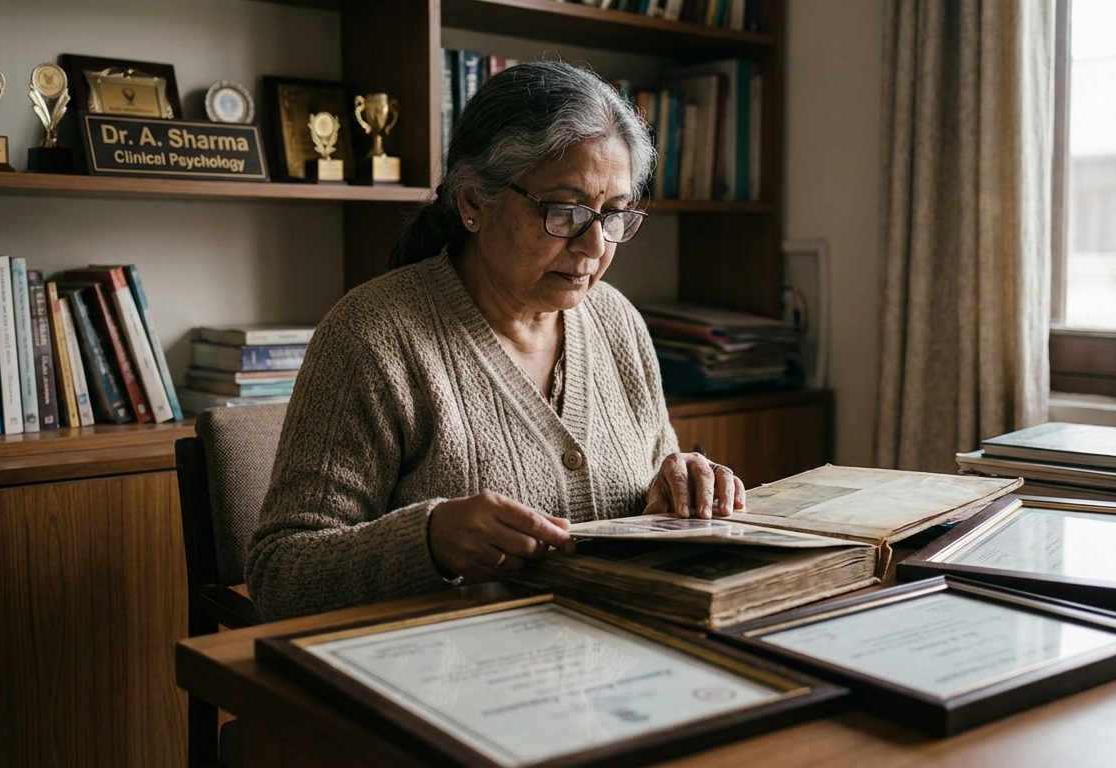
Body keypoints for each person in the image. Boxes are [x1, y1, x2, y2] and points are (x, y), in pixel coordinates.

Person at [245, 61, 746, 621]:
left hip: (617, 663)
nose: (592, 246)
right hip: (443, 678)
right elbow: (278, 574)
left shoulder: (618, 322)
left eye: (614, 214)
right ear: (473, 204)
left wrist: (681, 481)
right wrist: (429, 541)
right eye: (564, 211)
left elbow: (654, 484)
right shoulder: (373, 337)